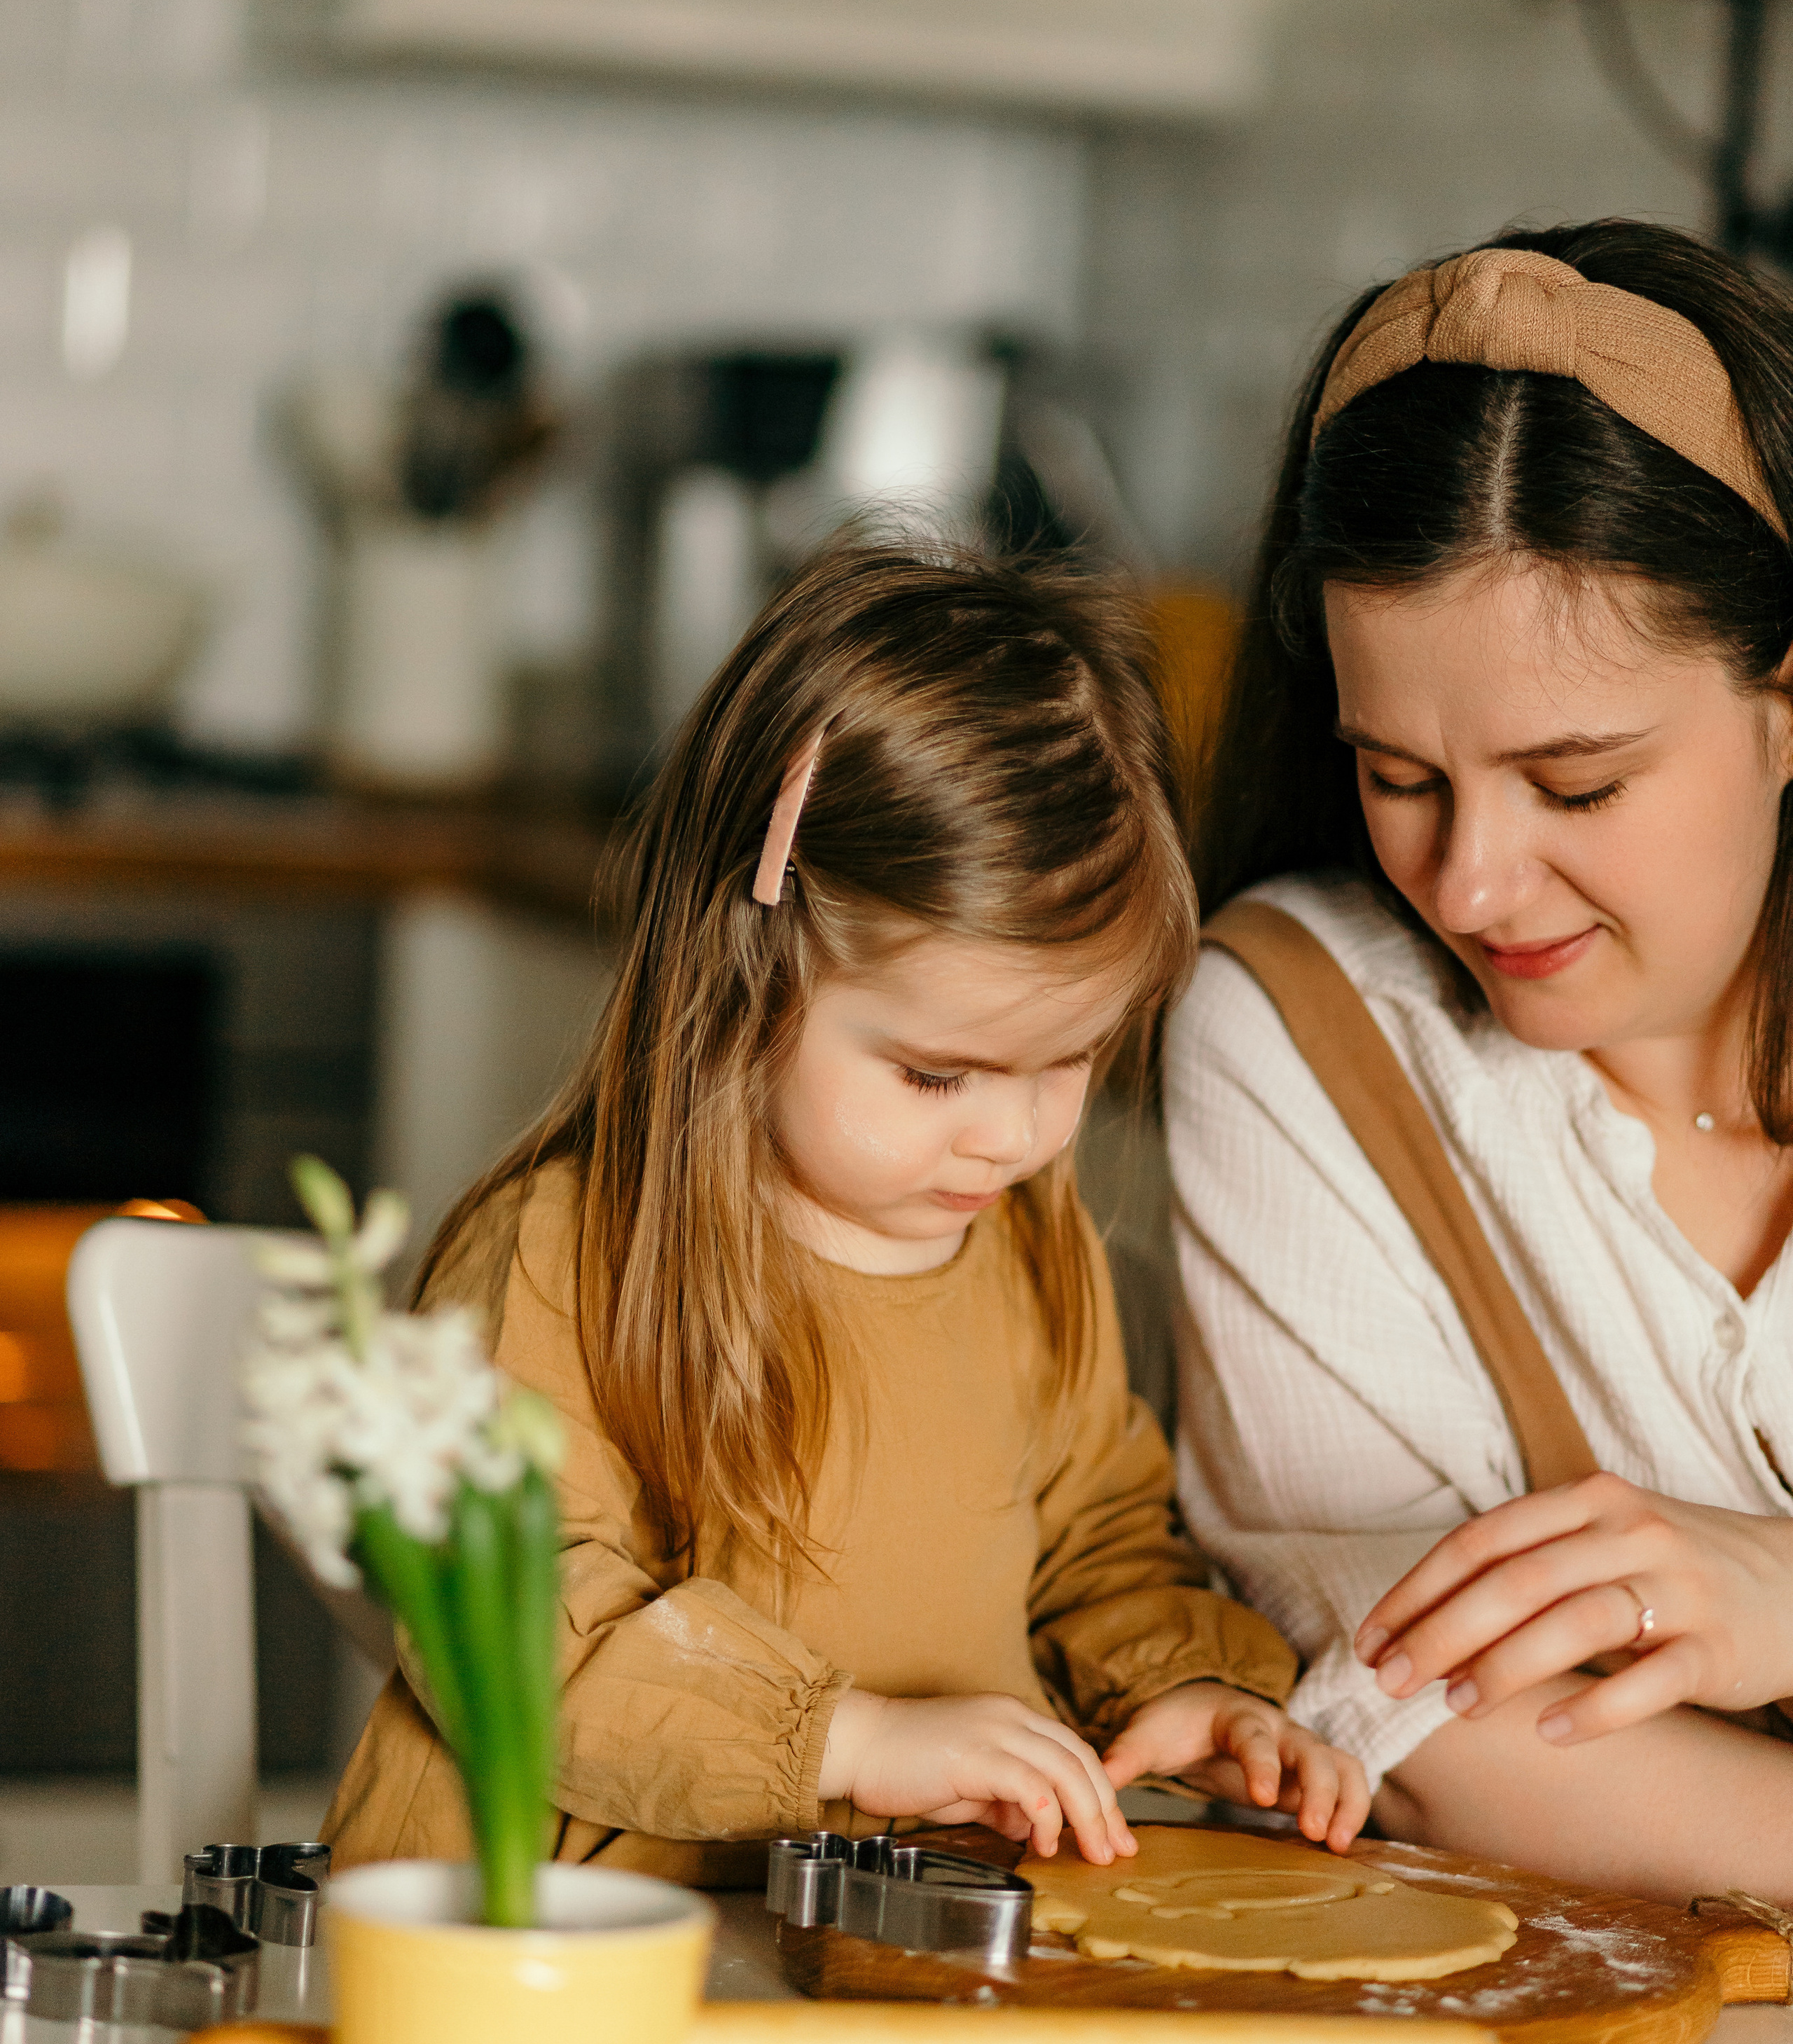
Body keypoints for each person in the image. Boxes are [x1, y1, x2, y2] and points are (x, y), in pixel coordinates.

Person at [326, 534, 1367, 1881]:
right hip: (571, 1961)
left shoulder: (1033, 1251)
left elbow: (1098, 1541)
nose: (1012, 1133)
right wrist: (851, 1743)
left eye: (1069, 1061)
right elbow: (514, 1622)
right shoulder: (559, 1258)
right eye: (937, 1072)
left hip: (886, 1946)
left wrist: (1187, 1692)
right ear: (746, 974)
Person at [1170, 219, 1793, 1903]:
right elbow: (1428, 1734)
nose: (1467, 885)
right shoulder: (1300, 1031)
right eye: (1398, 776)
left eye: (1574, 785)